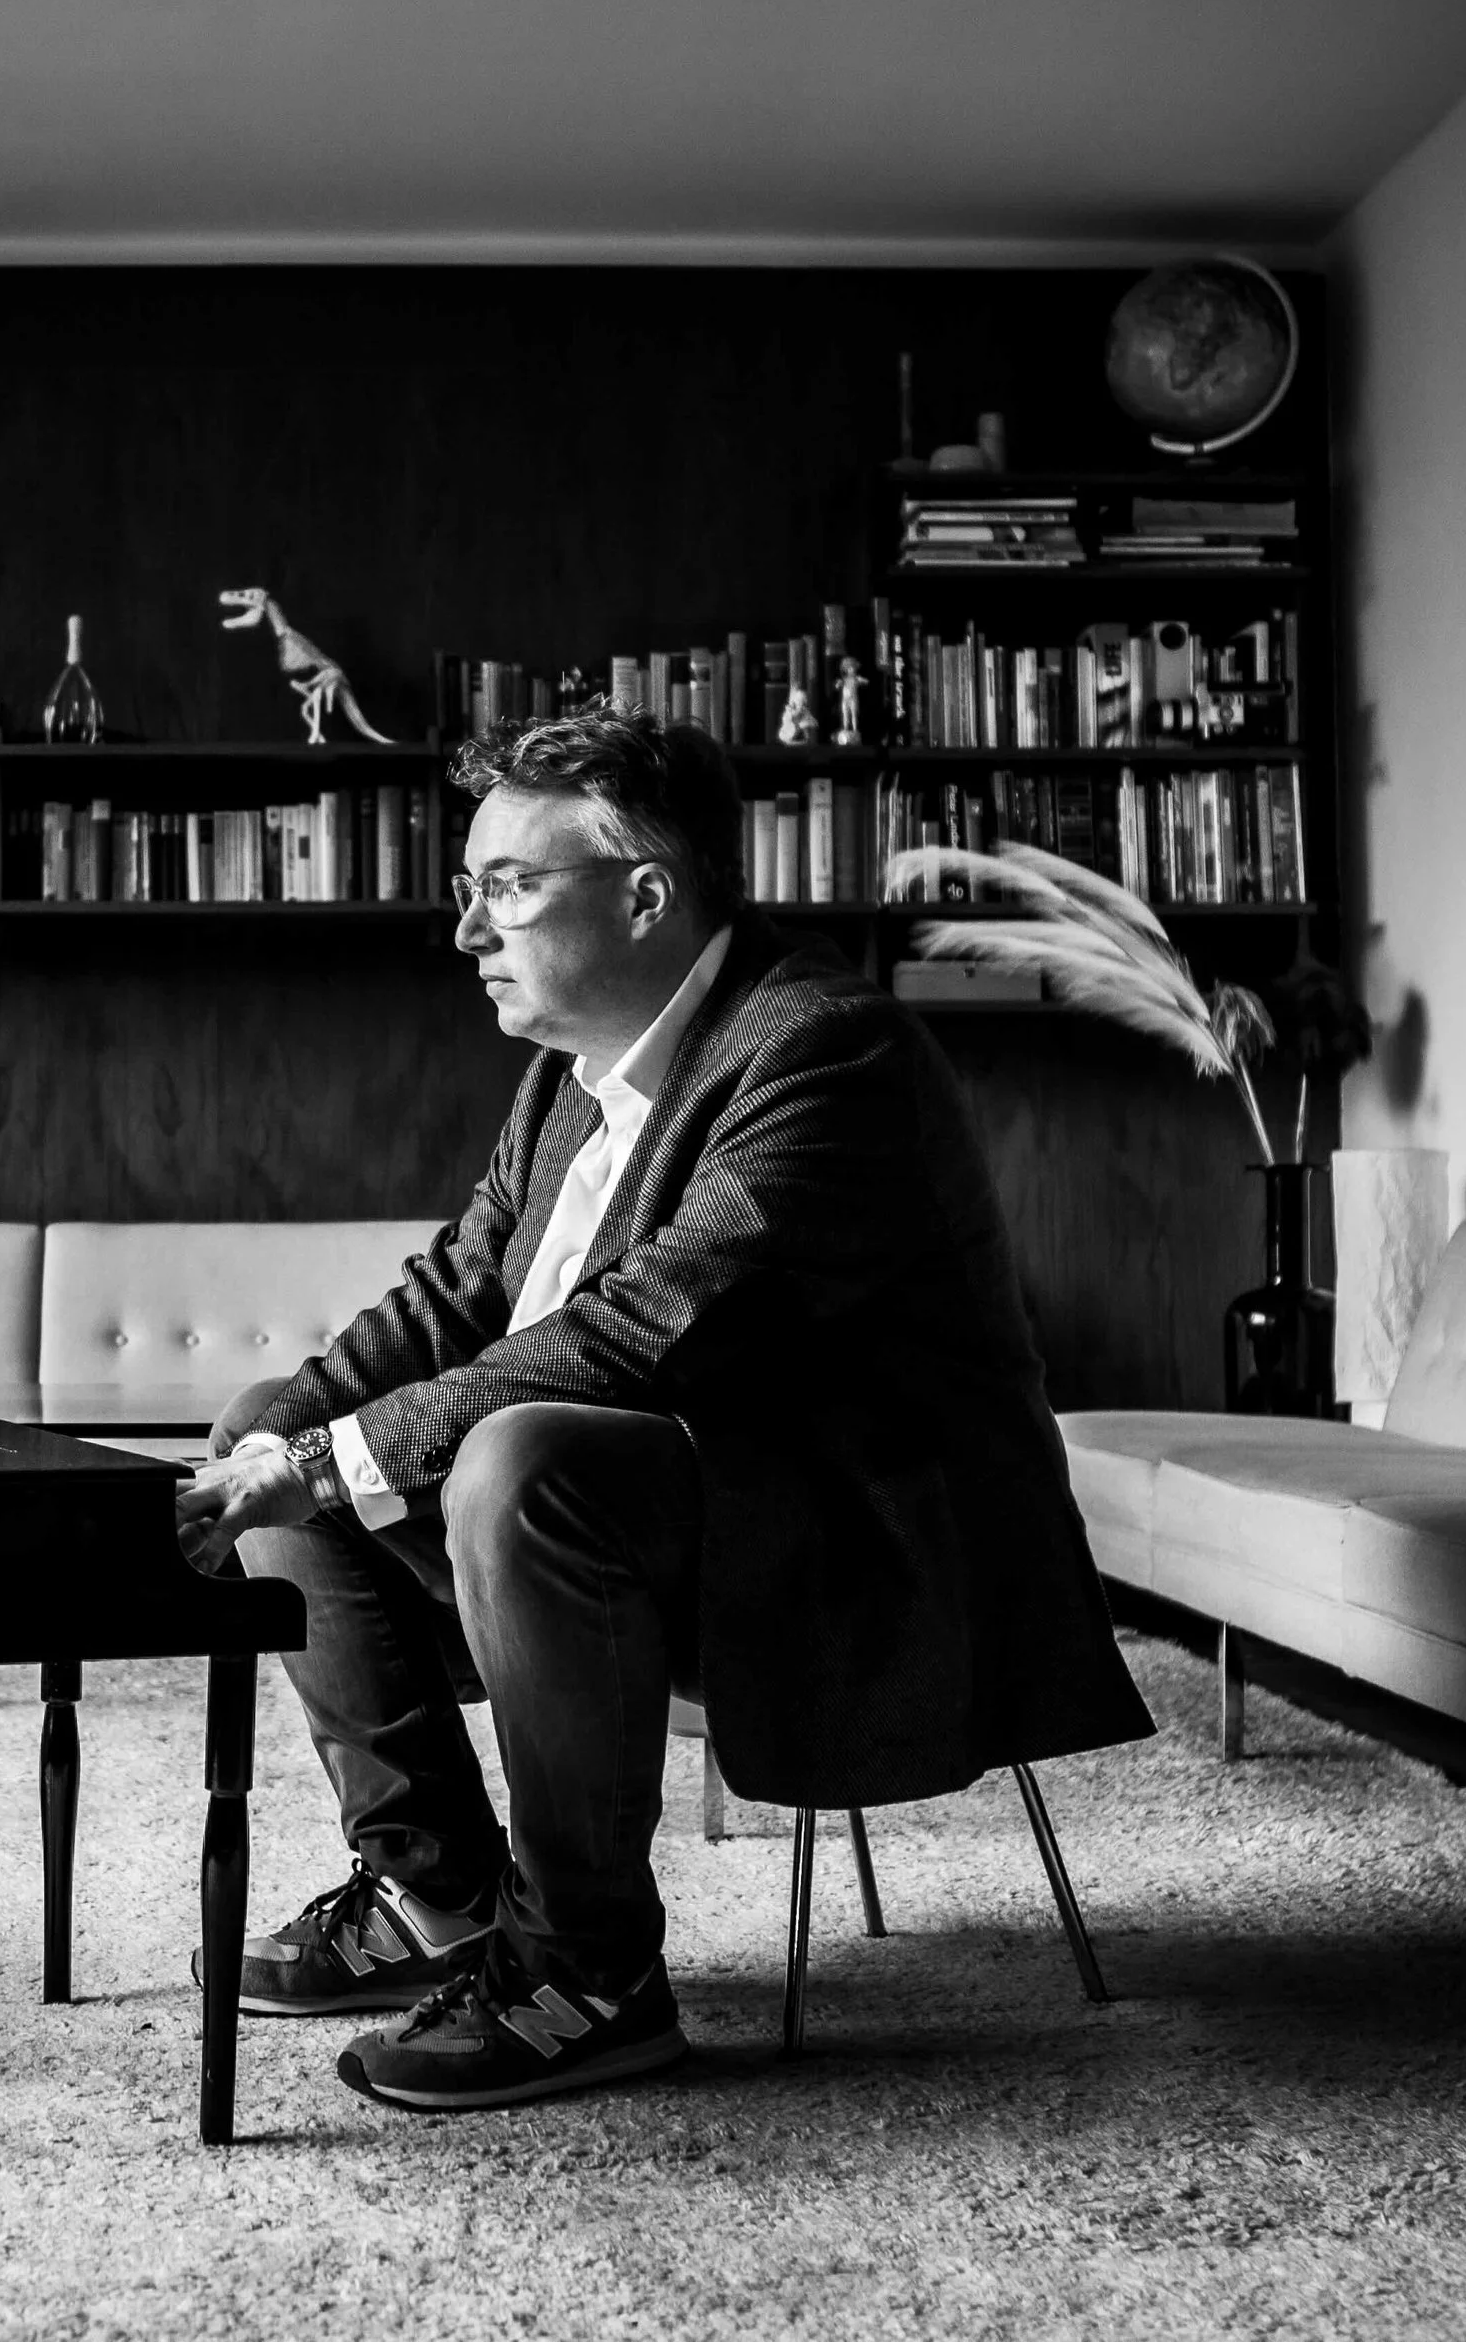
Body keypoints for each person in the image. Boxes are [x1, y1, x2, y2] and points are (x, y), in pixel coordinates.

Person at [173, 710, 1151, 2114]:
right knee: (284, 1419)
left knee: (509, 1457)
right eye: (470, 890)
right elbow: (453, 1294)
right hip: (647, 1538)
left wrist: (336, 1460)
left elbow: (649, 1330)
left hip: (851, 1558)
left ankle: (590, 1976)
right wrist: (270, 1445)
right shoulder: (571, 1078)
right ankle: (437, 1891)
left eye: (506, 887)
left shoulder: (827, 1051)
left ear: (646, 894)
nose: (466, 932)